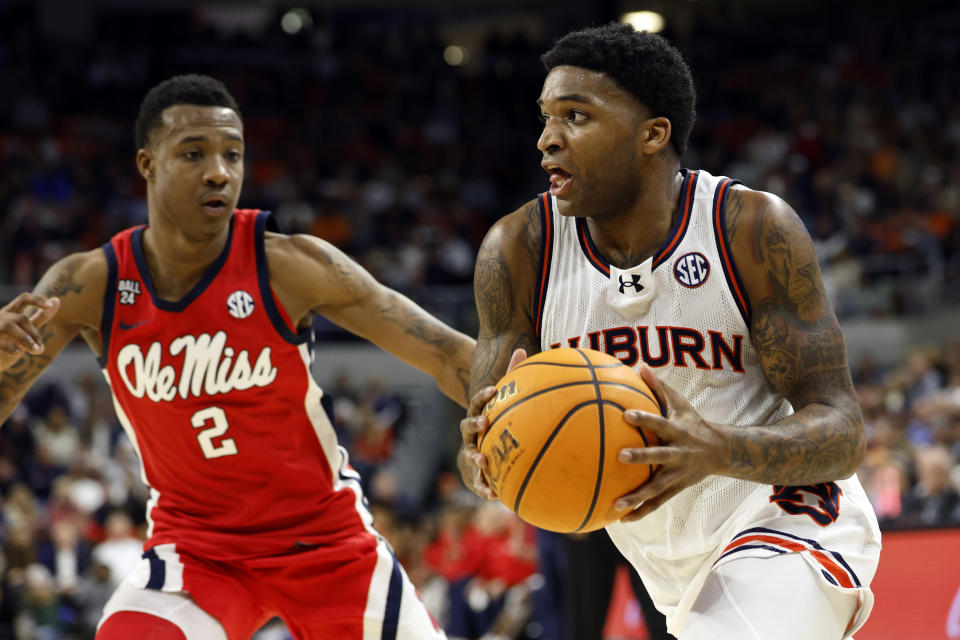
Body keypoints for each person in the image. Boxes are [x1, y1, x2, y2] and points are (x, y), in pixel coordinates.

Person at [0, 74, 475, 639]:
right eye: (194, 153)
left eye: (233, 154)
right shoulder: (90, 284)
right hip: (196, 551)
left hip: (324, 542)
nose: (219, 171)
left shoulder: (291, 265)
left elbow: (449, 355)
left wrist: (516, 403)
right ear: (147, 165)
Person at [457, 23, 881, 640]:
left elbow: (843, 430)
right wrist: (485, 459)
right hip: (671, 571)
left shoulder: (750, 228)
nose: (547, 140)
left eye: (576, 116)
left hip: (789, 521)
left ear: (653, 134)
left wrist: (717, 448)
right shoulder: (518, 251)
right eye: (546, 119)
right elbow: (478, 455)